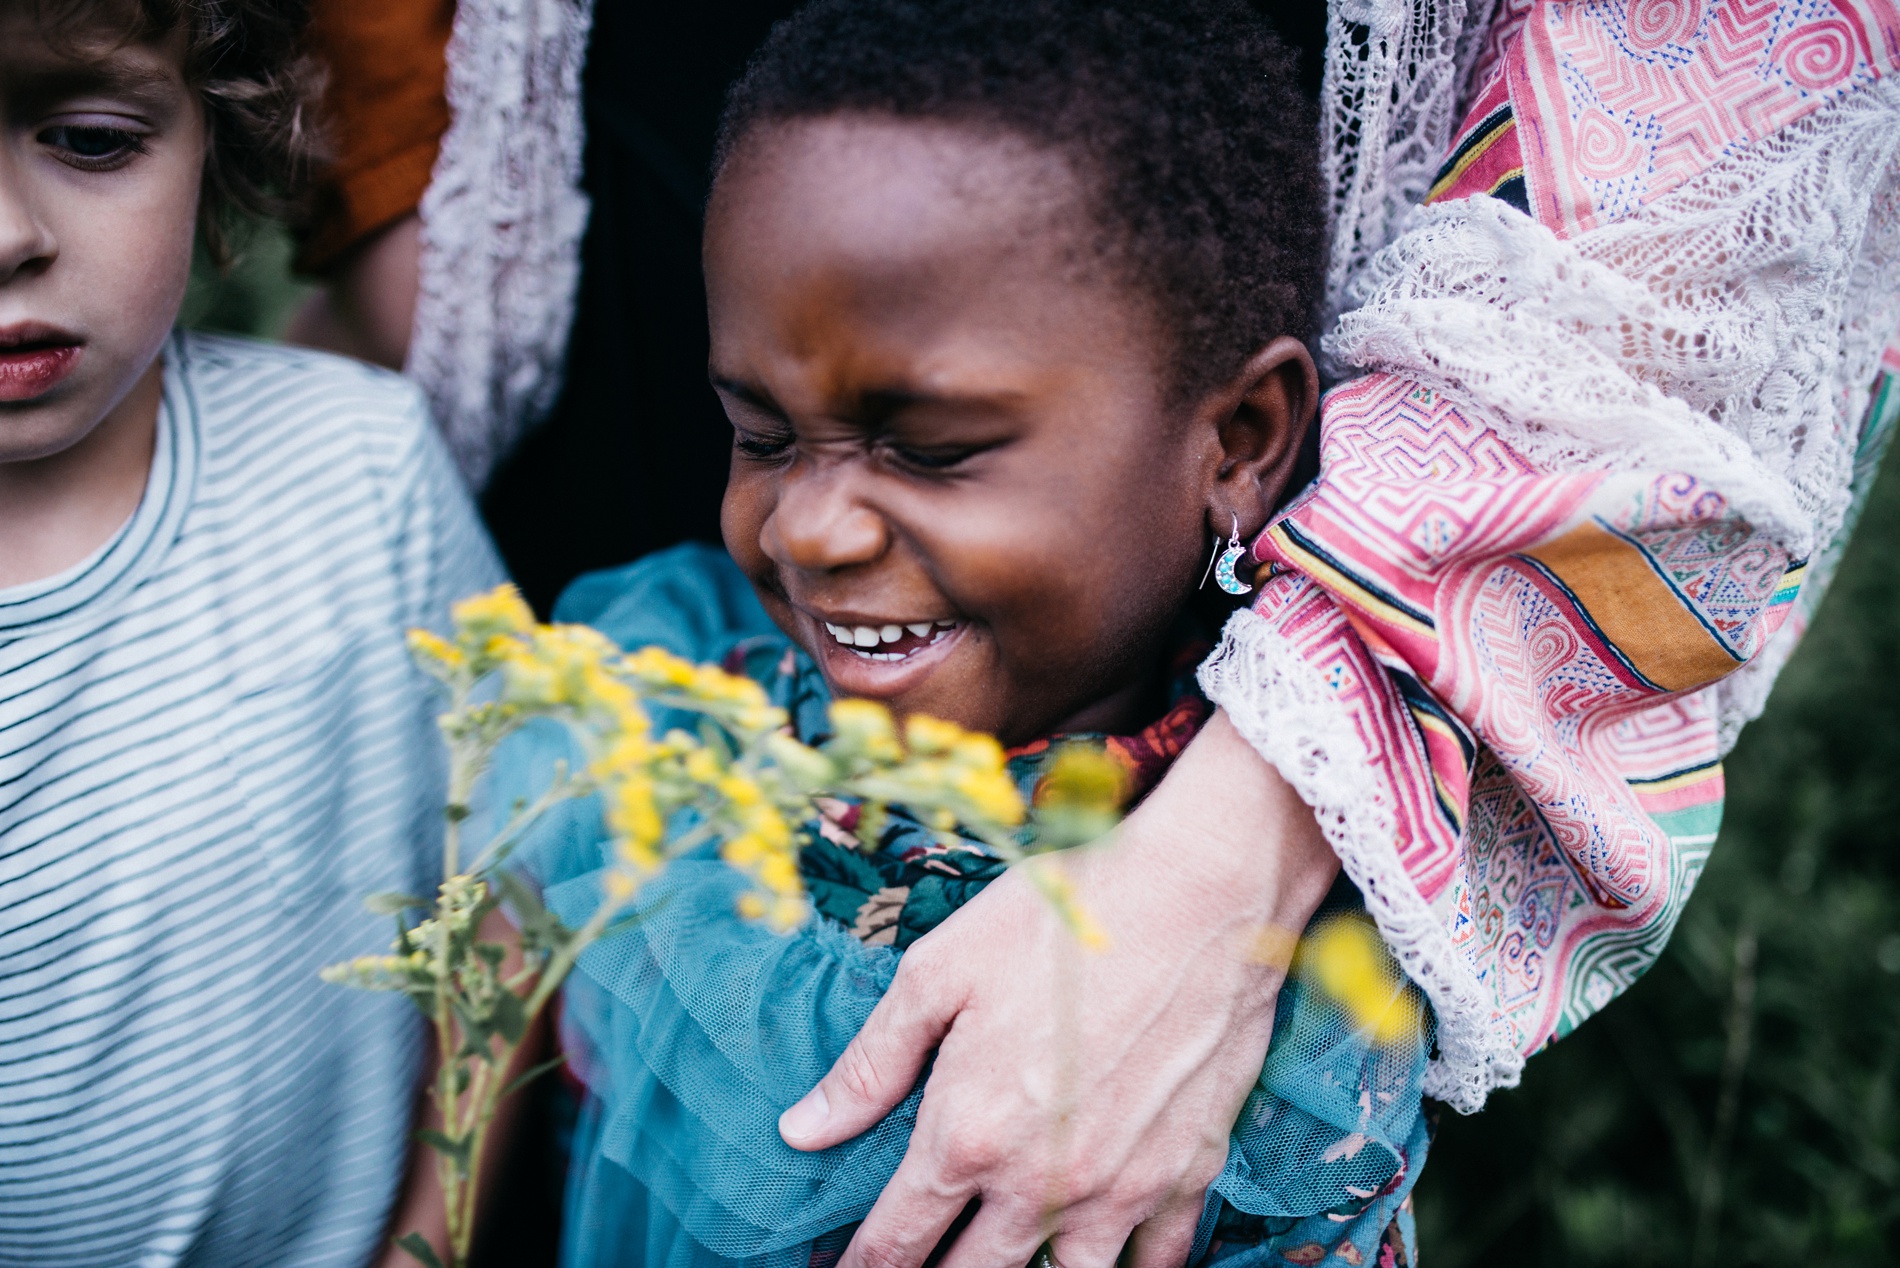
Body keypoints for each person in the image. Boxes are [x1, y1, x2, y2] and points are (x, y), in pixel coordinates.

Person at [492, 7, 1432, 1266]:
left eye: (929, 449)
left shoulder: (1262, 996)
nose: (809, 528)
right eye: (762, 435)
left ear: (1241, 438)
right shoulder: (682, 663)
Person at [0, 2, 505, 1263]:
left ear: (217, 135)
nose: (9, 234)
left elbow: (508, 892)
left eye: (92, 138)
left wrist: (431, 1240)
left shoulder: (363, 463)